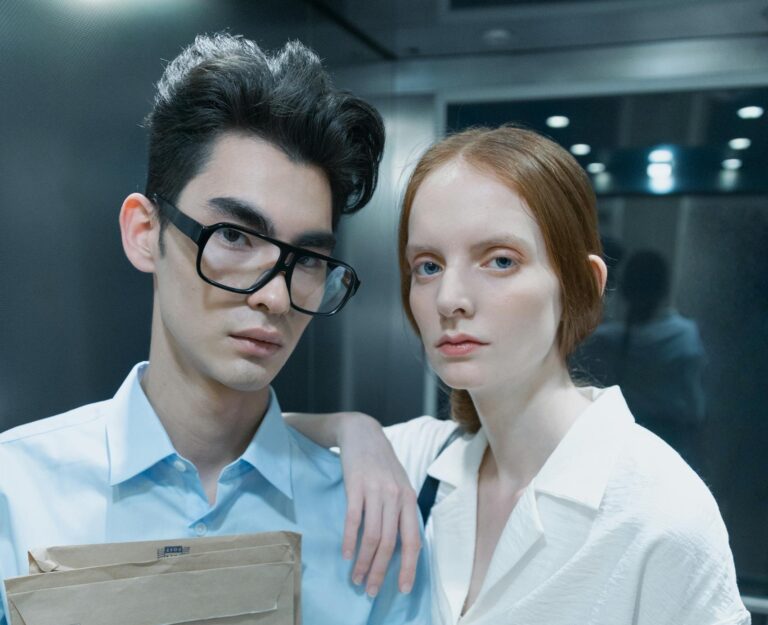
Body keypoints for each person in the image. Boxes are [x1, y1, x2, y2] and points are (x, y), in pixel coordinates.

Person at [0, 33, 430, 625]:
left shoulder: (369, 522)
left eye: (307, 259)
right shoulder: (16, 492)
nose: (275, 296)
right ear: (144, 232)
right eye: (234, 236)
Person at [287, 126, 750, 624]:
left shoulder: (659, 513)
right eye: (428, 266)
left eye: (500, 260)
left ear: (582, 286)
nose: (449, 299)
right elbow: (235, 436)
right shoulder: (421, 461)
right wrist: (353, 428)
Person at [576, 249, 707, 470]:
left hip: (618, 446)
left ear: (625, 289)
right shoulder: (686, 336)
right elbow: (696, 408)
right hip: (674, 446)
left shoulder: (602, 341)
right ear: (665, 289)